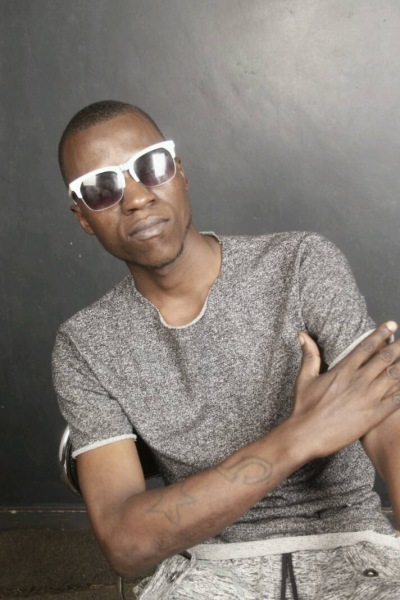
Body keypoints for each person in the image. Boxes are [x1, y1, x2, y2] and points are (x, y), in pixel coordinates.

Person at [53, 100, 400, 599]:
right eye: (101, 189)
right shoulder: (85, 344)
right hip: (209, 571)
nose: (136, 198)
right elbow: (126, 543)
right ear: (84, 218)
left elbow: (389, 424)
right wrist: (299, 436)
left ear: (180, 172)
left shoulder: (300, 264)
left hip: (352, 551)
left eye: (150, 166)